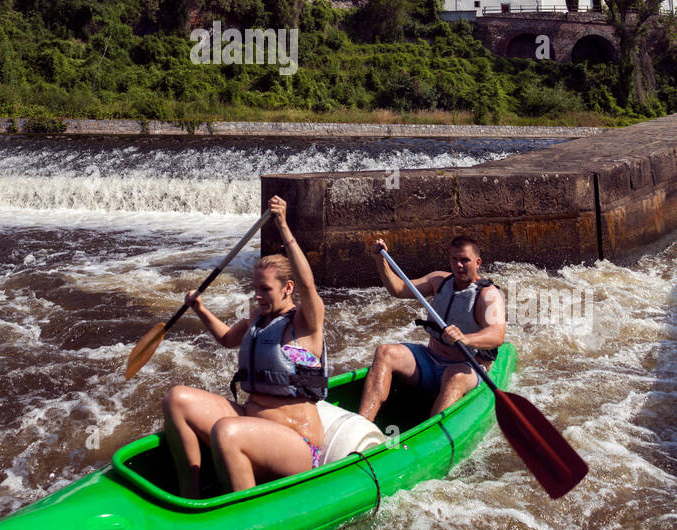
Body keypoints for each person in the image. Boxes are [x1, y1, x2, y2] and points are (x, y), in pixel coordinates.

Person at [162, 195, 327, 498]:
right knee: (177, 399)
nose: (258, 296)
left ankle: (245, 516)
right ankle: (191, 497)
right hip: (247, 423)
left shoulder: (304, 323)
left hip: (298, 446)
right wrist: (199, 308)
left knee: (226, 431)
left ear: (287, 288)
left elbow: (308, 284)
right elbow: (226, 339)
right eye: (255, 289)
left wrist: (284, 227)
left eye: (266, 289)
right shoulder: (256, 319)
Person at [358, 234, 506, 423]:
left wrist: (465, 338)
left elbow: (496, 335)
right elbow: (399, 289)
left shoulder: (488, 295)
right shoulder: (439, 280)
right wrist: (380, 260)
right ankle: (362, 425)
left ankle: (430, 437)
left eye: (465, 260)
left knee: (454, 377)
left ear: (477, 262)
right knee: (385, 352)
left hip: (465, 368)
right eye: (454, 259)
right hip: (430, 360)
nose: (459, 265)